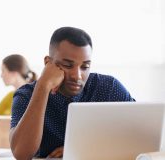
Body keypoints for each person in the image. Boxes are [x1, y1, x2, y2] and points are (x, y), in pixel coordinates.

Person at [9, 27, 135, 159]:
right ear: (48, 63)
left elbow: (138, 135)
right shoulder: (26, 95)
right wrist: (43, 86)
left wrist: (81, 150)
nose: (77, 76)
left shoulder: (109, 88)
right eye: (68, 65)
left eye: (85, 67)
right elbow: (21, 154)